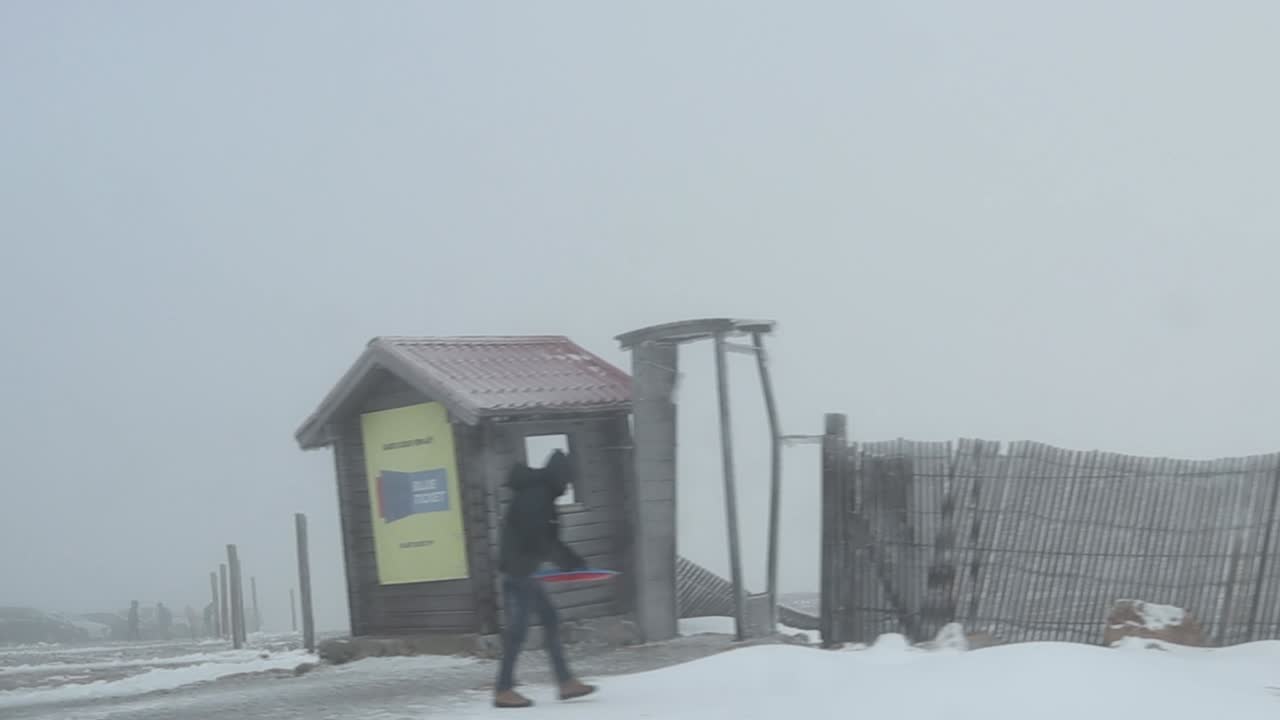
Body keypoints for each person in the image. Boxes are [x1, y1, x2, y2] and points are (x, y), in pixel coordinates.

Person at [493, 449, 596, 708]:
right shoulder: (536, 496)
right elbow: (540, 538)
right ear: (560, 476)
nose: (568, 485)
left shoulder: (540, 494)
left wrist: (571, 560)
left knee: (549, 619)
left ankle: (565, 683)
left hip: (525, 569)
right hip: (520, 571)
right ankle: (503, 689)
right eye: (568, 480)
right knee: (519, 630)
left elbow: (546, 539)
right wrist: (570, 562)